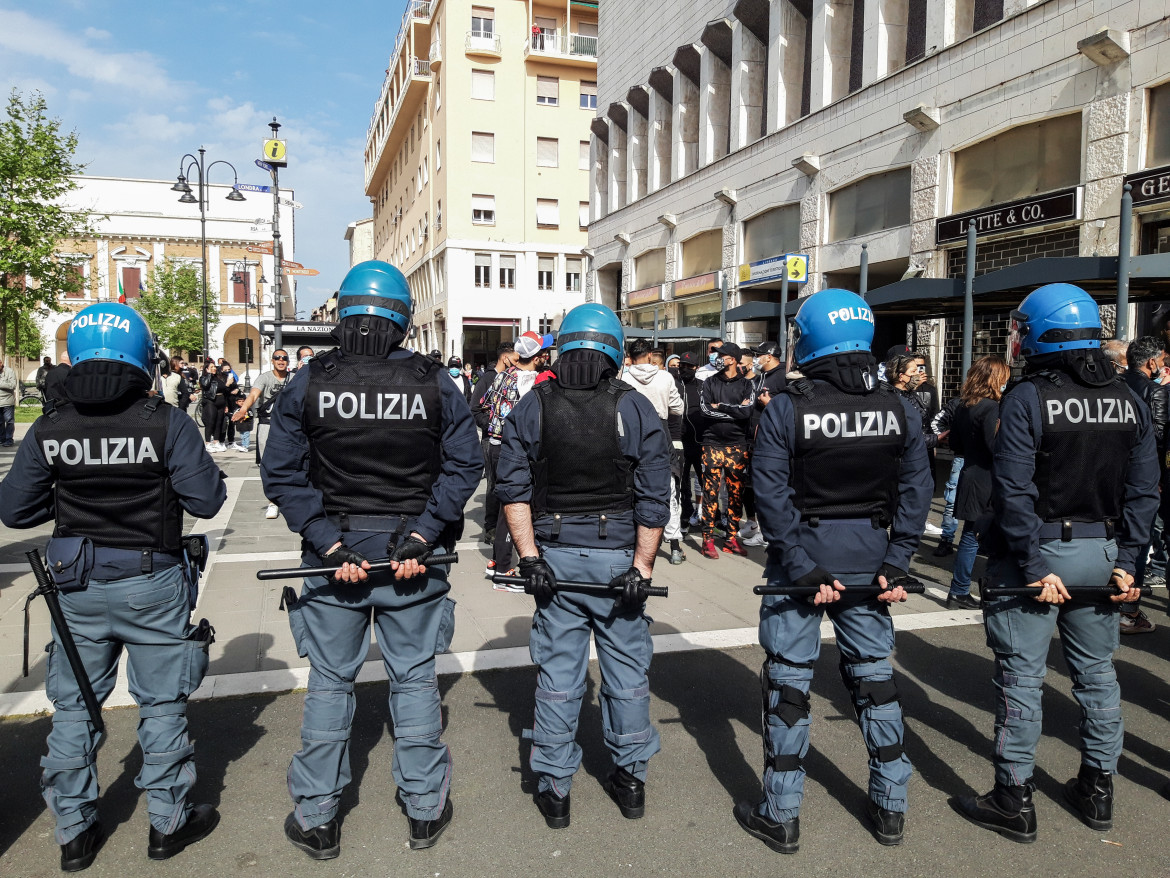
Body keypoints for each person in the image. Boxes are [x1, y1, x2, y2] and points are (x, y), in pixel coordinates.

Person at [261, 260, 482, 859]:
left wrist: (327, 541)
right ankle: (423, 810)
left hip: (333, 560)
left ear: (344, 315)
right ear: (404, 317)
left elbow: (280, 472)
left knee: (331, 684)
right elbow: (465, 466)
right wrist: (425, 535)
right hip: (413, 558)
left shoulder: (309, 383)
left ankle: (318, 819)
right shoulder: (436, 383)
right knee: (413, 681)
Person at [0, 303, 227, 871]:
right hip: (152, 581)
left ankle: (74, 831)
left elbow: (14, 510)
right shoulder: (165, 421)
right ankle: (167, 824)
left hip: (75, 586)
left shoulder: (52, 426)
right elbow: (207, 500)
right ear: (142, 360)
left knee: (74, 705)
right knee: (161, 705)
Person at [953, 283, 1158, 844]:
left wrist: (1032, 562)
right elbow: (1144, 491)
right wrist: (1132, 564)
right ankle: (1098, 788)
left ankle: (1013, 797)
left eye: (1022, 325)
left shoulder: (1027, 398)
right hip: (1106, 553)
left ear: (1041, 328)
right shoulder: (1130, 399)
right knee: (1098, 676)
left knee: (1020, 677)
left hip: (1037, 557)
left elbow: (1013, 491)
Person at [736, 289, 932, 853]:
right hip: (872, 561)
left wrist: (800, 564)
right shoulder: (899, 408)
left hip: (800, 565)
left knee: (789, 684)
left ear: (810, 339)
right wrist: (898, 561)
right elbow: (918, 489)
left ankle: (781, 814)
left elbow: (768, 494)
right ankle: (891, 807)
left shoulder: (786, 407)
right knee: (875, 679)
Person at [494, 303, 670, 829]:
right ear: (615, 348)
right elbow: (654, 496)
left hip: (557, 558)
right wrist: (643, 568)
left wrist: (529, 559)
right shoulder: (635, 407)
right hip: (619, 560)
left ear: (562, 345)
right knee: (627, 675)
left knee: (559, 677)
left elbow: (513, 487)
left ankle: (554, 786)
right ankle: (631, 779)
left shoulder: (533, 405)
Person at [945, 355, 1011, 610]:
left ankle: (959, 590)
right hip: (987, 478)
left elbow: (955, 444)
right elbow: (994, 446)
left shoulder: (964, 405)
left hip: (970, 472)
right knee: (979, 537)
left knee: (971, 536)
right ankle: (962, 590)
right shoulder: (991, 407)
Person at [482, 331, 543, 581]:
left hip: (495, 445)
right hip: (513, 449)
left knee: (503, 506)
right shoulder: (528, 379)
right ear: (536, 357)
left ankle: (497, 559)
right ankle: (503, 569)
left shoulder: (503, 375)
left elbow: (485, 405)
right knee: (514, 505)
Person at [1119, 335, 1168, 634]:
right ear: (1151, 362)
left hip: (1114, 475)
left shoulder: (1115, 386)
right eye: (1162, 360)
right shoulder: (1154, 392)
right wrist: (1159, 478)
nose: (1163, 365)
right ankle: (1129, 609)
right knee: (1139, 539)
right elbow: (1158, 440)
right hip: (1143, 475)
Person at [623, 338, 686, 564]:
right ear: (650, 355)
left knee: (631, 485)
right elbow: (678, 407)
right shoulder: (665, 377)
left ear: (631, 356)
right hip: (659, 432)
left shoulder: (624, 376)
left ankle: (633, 541)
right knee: (667, 487)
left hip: (631, 432)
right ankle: (676, 546)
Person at [697, 342, 754, 558]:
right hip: (712, 443)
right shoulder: (709, 382)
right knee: (710, 493)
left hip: (737, 446)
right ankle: (707, 539)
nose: (716, 357)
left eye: (721, 355)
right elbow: (704, 410)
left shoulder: (747, 385)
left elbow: (747, 412)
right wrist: (735, 412)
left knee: (735, 494)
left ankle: (731, 538)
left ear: (732, 358)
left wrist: (720, 406)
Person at [233, 349, 294, 517]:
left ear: (288, 361)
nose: (281, 360)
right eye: (277, 358)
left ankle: (288, 498)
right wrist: (244, 408)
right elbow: (253, 394)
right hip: (268, 424)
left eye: (284, 358)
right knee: (269, 465)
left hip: (288, 425)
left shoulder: (294, 378)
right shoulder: (264, 377)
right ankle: (273, 502)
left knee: (290, 463)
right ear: (272, 360)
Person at [740, 342, 788, 547]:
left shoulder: (784, 376)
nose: (756, 358)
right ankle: (755, 524)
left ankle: (770, 533)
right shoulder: (760, 377)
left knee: (769, 487)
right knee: (751, 485)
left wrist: (772, 404)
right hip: (753, 437)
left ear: (769, 357)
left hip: (771, 440)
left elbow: (791, 406)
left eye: (759, 355)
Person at [472, 341, 516, 543]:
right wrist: (491, 426)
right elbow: (474, 409)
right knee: (493, 484)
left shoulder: (511, 378)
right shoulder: (488, 379)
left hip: (506, 440)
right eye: (515, 359)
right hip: (491, 440)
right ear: (505, 358)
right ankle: (491, 527)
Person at [931, 396, 963, 556]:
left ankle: (981, 539)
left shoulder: (998, 402)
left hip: (985, 461)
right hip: (962, 458)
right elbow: (936, 423)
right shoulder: (959, 403)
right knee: (952, 502)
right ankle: (946, 540)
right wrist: (947, 438)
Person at [676, 352, 705, 526]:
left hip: (700, 442)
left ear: (696, 368)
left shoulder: (703, 386)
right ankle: (685, 515)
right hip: (680, 441)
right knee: (682, 482)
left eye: (689, 366)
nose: (685, 369)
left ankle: (709, 516)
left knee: (705, 481)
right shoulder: (674, 385)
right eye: (682, 365)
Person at [198, 360, 227, 452]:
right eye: (211, 367)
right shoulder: (204, 377)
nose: (214, 368)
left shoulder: (218, 377)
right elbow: (205, 385)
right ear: (207, 369)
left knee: (219, 422)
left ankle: (216, 441)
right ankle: (207, 442)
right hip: (211, 401)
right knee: (211, 422)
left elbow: (224, 389)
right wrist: (209, 374)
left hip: (221, 401)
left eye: (214, 367)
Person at [0, 360, 18, 446]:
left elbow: (13, 385)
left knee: (9, 421)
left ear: (1, 363)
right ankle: (2, 438)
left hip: (7, 401)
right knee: (0, 422)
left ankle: (9, 439)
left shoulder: (9, 371)